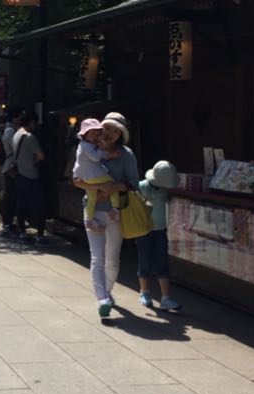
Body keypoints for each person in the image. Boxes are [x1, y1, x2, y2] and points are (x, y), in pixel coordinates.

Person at [74, 111, 138, 318]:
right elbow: (75, 179)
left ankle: (107, 291)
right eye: (106, 128)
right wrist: (98, 188)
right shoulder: (87, 148)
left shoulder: (126, 155)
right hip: (92, 210)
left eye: (115, 131)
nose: (109, 133)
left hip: (115, 213)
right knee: (97, 257)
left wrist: (113, 188)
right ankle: (101, 298)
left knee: (112, 258)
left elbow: (133, 184)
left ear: (121, 135)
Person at [136, 160, 182, 311]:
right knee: (144, 260)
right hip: (143, 230)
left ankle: (165, 297)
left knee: (162, 261)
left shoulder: (164, 189)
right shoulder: (141, 187)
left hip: (161, 229)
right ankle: (144, 291)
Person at [73, 118, 114, 231]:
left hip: (86, 177)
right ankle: (115, 209)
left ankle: (89, 220)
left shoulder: (86, 145)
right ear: (85, 134)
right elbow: (96, 158)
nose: (95, 136)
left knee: (91, 198)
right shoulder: (86, 146)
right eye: (92, 133)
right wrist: (104, 150)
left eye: (97, 133)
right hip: (92, 176)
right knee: (112, 183)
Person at [13, 110, 46, 244]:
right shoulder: (29, 137)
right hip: (31, 174)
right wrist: (33, 161)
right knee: (38, 205)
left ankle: (22, 231)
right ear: (32, 122)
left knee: (21, 204)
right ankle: (40, 234)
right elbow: (41, 156)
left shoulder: (16, 135)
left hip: (19, 174)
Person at [0, 108, 19, 234]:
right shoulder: (10, 131)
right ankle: (8, 222)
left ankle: (9, 221)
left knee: (10, 194)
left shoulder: (10, 130)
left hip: (10, 165)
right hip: (11, 166)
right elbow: (16, 147)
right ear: (14, 118)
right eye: (19, 117)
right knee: (10, 195)